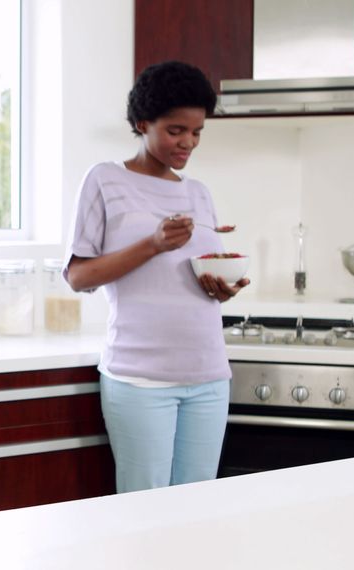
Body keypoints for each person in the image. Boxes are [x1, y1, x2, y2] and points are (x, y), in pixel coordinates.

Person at [64, 60, 250, 493]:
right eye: (175, 130)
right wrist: (153, 243)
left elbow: (200, 279)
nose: (188, 142)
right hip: (139, 378)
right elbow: (78, 277)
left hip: (208, 375)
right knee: (143, 508)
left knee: (197, 505)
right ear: (142, 122)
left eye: (197, 132)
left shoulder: (198, 192)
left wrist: (224, 287)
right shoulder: (106, 180)